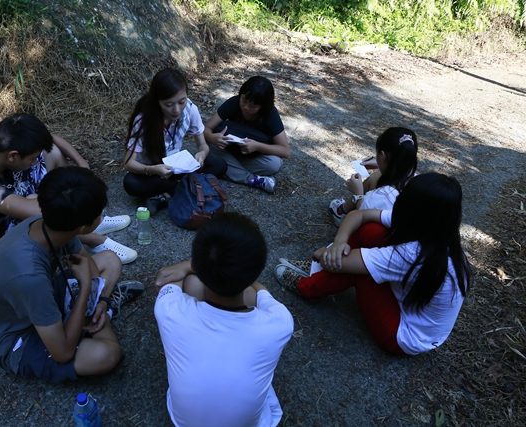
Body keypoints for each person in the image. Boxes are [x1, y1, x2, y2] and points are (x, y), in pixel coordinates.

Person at [0, 166, 144, 382]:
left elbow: (90, 267)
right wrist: (85, 290)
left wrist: (101, 301)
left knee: (110, 260)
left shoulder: (50, 222)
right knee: (107, 354)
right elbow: (62, 353)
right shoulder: (29, 277)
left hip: (39, 300)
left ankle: (93, 317)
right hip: (19, 336)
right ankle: (95, 320)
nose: (101, 217)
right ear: (83, 228)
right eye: (99, 214)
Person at [275, 173, 470, 355]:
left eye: (404, 196)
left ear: (414, 209)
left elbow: (340, 263)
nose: (398, 196)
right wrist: (339, 242)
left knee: (361, 272)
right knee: (371, 231)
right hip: (410, 305)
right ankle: (315, 272)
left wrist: (325, 254)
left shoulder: (412, 254)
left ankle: (307, 287)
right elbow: (360, 215)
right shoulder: (437, 232)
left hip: (404, 335)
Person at [154, 212, 293, 427]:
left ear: (196, 264)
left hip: (184, 422)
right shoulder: (281, 322)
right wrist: (241, 272)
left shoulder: (168, 310)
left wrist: (190, 267)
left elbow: (165, 279)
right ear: (257, 270)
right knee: (250, 295)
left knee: (191, 283)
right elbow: (261, 290)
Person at [0, 113, 136, 263]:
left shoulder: (2, 146)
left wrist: (81, 162)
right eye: (32, 158)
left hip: (26, 201)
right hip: (10, 241)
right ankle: (90, 237)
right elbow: (37, 211)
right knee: (53, 204)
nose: (35, 161)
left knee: (52, 151)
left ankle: (89, 221)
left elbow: (52, 139)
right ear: (12, 156)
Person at [123, 68, 227, 215]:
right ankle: (187, 187)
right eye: (168, 104)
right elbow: (128, 163)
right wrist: (152, 169)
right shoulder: (143, 120)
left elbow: (203, 145)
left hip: (177, 167)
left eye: (181, 101)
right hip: (153, 170)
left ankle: (167, 195)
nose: (176, 110)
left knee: (219, 165)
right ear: (157, 101)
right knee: (130, 183)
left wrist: (202, 154)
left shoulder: (190, 110)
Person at [203, 76, 290, 193]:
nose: (246, 107)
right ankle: (253, 179)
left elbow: (285, 151)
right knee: (207, 146)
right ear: (241, 94)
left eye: (253, 106)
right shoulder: (233, 102)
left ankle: (231, 168)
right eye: (244, 100)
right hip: (227, 150)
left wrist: (257, 146)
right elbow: (206, 128)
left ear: (263, 106)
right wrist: (212, 137)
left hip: (251, 156)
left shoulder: (270, 114)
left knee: (274, 164)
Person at [329, 127, 418, 226]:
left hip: (377, 228)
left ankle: (341, 214)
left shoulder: (382, 195)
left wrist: (358, 193)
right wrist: (383, 164)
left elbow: (362, 213)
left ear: (382, 155)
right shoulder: (418, 181)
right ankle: (343, 210)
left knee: (376, 178)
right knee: (379, 174)